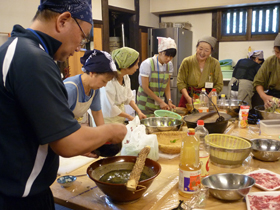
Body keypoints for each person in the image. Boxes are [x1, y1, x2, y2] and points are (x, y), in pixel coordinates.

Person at [0, 1, 127, 209]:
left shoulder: (16, 49)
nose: (79, 48)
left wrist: (83, 143)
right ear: (63, 20)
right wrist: (112, 131)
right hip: (19, 200)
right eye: (83, 36)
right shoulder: (33, 59)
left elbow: (27, 129)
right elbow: (67, 143)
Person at [64, 49, 117, 127]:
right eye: (103, 81)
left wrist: (103, 134)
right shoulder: (71, 89)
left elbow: (97, 112)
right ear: (92, 73)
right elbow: (58, 119)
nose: (105, 85)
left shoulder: (94, 89)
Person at [100, 47, 146, 123]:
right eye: (136, 64)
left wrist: (139, 112)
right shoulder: (109, 81)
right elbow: (110, 107)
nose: (137, 67)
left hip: (120, 116)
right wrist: (129, 116)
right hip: (107, 119)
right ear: (126, 65)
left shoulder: (126, 77)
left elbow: (129, 97)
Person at [177, 36, 223, 107]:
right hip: (189, 97)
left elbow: (219, 84)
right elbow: (180, 82)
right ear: (196, 48)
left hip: (208, 97)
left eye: (206, 50)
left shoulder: (215, 63)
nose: (202, 53)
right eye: (200, 49)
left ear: (211, 51)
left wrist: (208, 97)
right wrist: (188, 98)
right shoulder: (187, 61)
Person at [137, 37, 177, 116]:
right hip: (145, 102)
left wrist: (169, 100)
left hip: (158, 103)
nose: (169, 58)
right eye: (167, 55)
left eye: (171, 56)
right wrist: (161, 101)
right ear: (160, 52)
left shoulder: (169, 65)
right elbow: (145, 87)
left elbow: (167, 85)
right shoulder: (148, 64)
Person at [253, 33, 280, 109]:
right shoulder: (270, 61)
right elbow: (258, 82)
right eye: (277, 52)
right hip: (273, 99)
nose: (279, 56)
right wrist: (264, 96)